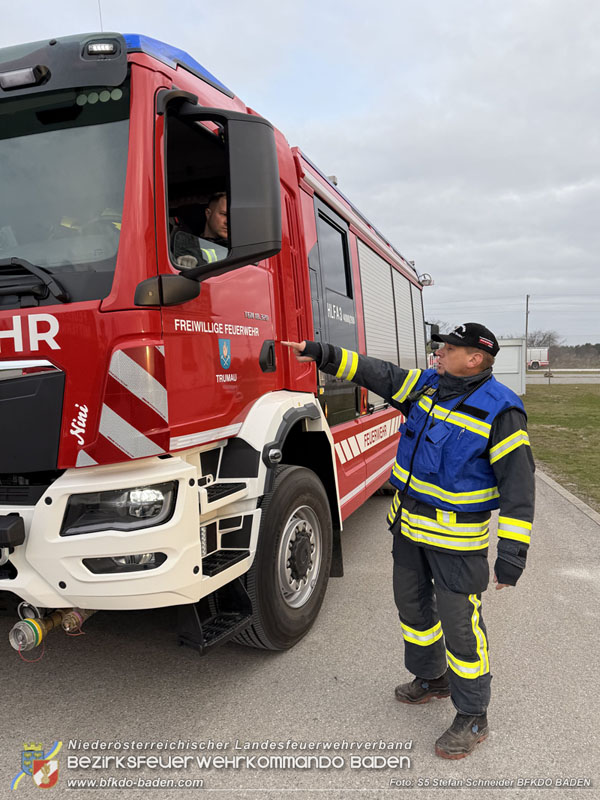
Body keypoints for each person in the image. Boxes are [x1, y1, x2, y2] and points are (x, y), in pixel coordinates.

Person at [283, 323, 535, 760]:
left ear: (475, 358)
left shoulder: (502, 410)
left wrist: (511, 557)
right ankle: (432, 679)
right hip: (408, 533)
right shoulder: (427, 386)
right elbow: (378, 373)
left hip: (457, 545)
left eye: (448, 349)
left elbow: (519, 489)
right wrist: (322, 352)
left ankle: (473, 715)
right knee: (414, 613)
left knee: (461, 630)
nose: (438, 354)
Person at [174, 192, 228, 268]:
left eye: (233, 216)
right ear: (208, 213)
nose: (228, 222)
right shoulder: (186, 244)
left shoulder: (239, 248)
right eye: (224, 214)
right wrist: (185, 263)